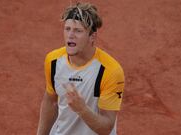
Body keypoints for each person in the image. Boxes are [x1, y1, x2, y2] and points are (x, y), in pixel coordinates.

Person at [37, 2, 124, 135]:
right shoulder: (53, 61)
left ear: (92, 37)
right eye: (67, 29)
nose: (70, 35)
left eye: (78, 30)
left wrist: (82, 109)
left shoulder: (110, 71)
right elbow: (51, 101)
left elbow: (106, 127)